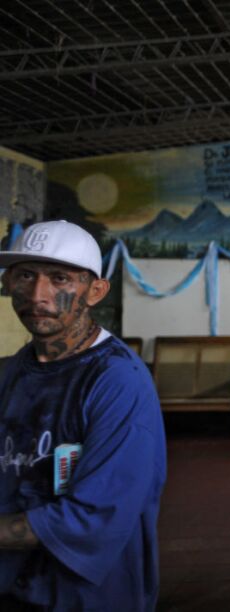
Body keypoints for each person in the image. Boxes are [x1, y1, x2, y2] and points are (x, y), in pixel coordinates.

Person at [0, 220, 166, 610]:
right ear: (7, 283)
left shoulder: (117, 380)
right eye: (25, 275)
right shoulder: (11, 372)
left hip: (85, 596)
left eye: (59, 279)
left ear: (95, 291)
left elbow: (92, 517)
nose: (38, 294)